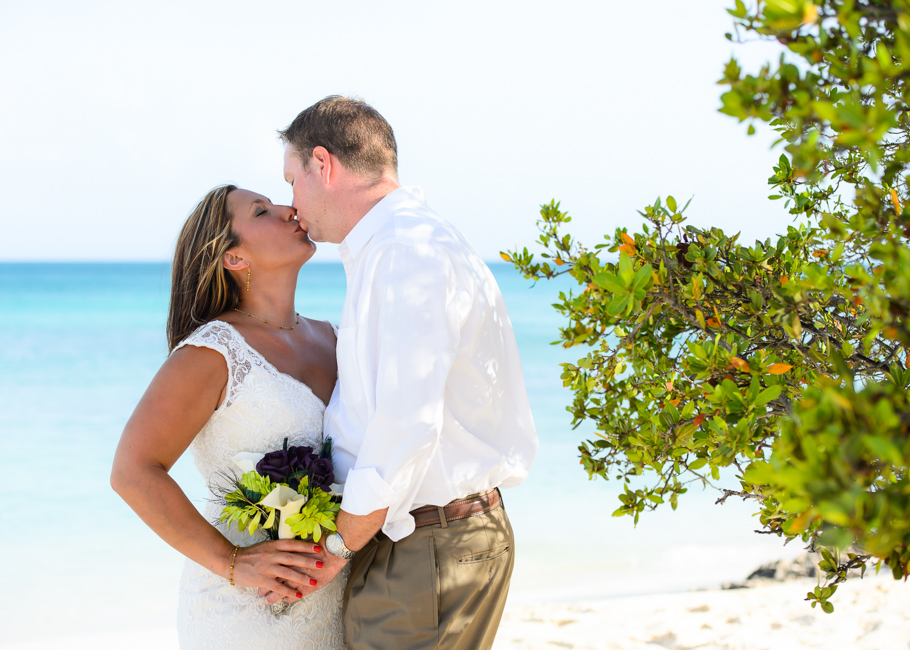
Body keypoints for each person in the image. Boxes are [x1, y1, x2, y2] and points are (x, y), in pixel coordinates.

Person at [272, 96, 539, 650]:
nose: (290, 202)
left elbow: (407, 423)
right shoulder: (407, 242)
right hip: (431, 538)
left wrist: (340, 548)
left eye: (292, 179)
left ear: (324, 165)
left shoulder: (403, 253)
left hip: (425, 546)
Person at [110, 185, 347, 649]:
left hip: (338, 598)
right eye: (262, 211)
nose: (288, 209)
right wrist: (233, 562)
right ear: (234, 258)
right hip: (245, 612)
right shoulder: (212, 351)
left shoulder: (337, 338)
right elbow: (132, 472)